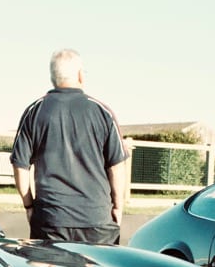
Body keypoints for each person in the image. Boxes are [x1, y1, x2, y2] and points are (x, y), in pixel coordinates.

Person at [11, 49, 130, 244]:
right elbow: (116, 167)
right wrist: (118, 207)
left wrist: (29, 206)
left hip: (50, 220)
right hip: (97, 222)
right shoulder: (102, 112)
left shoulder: (34, 111)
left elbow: (20, 165)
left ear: (52, 77)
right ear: (81, 75)